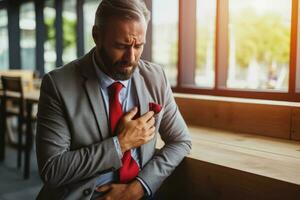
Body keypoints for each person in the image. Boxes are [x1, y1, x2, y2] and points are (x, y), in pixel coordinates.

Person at [36, 0, 191, 199]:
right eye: (121, 45)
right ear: (96, 36)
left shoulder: (156, 77)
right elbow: (52, 170)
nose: (131, 57)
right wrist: (121, 144)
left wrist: (137, 188)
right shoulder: (57, 85)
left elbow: (181, 140)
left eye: (139, 45)